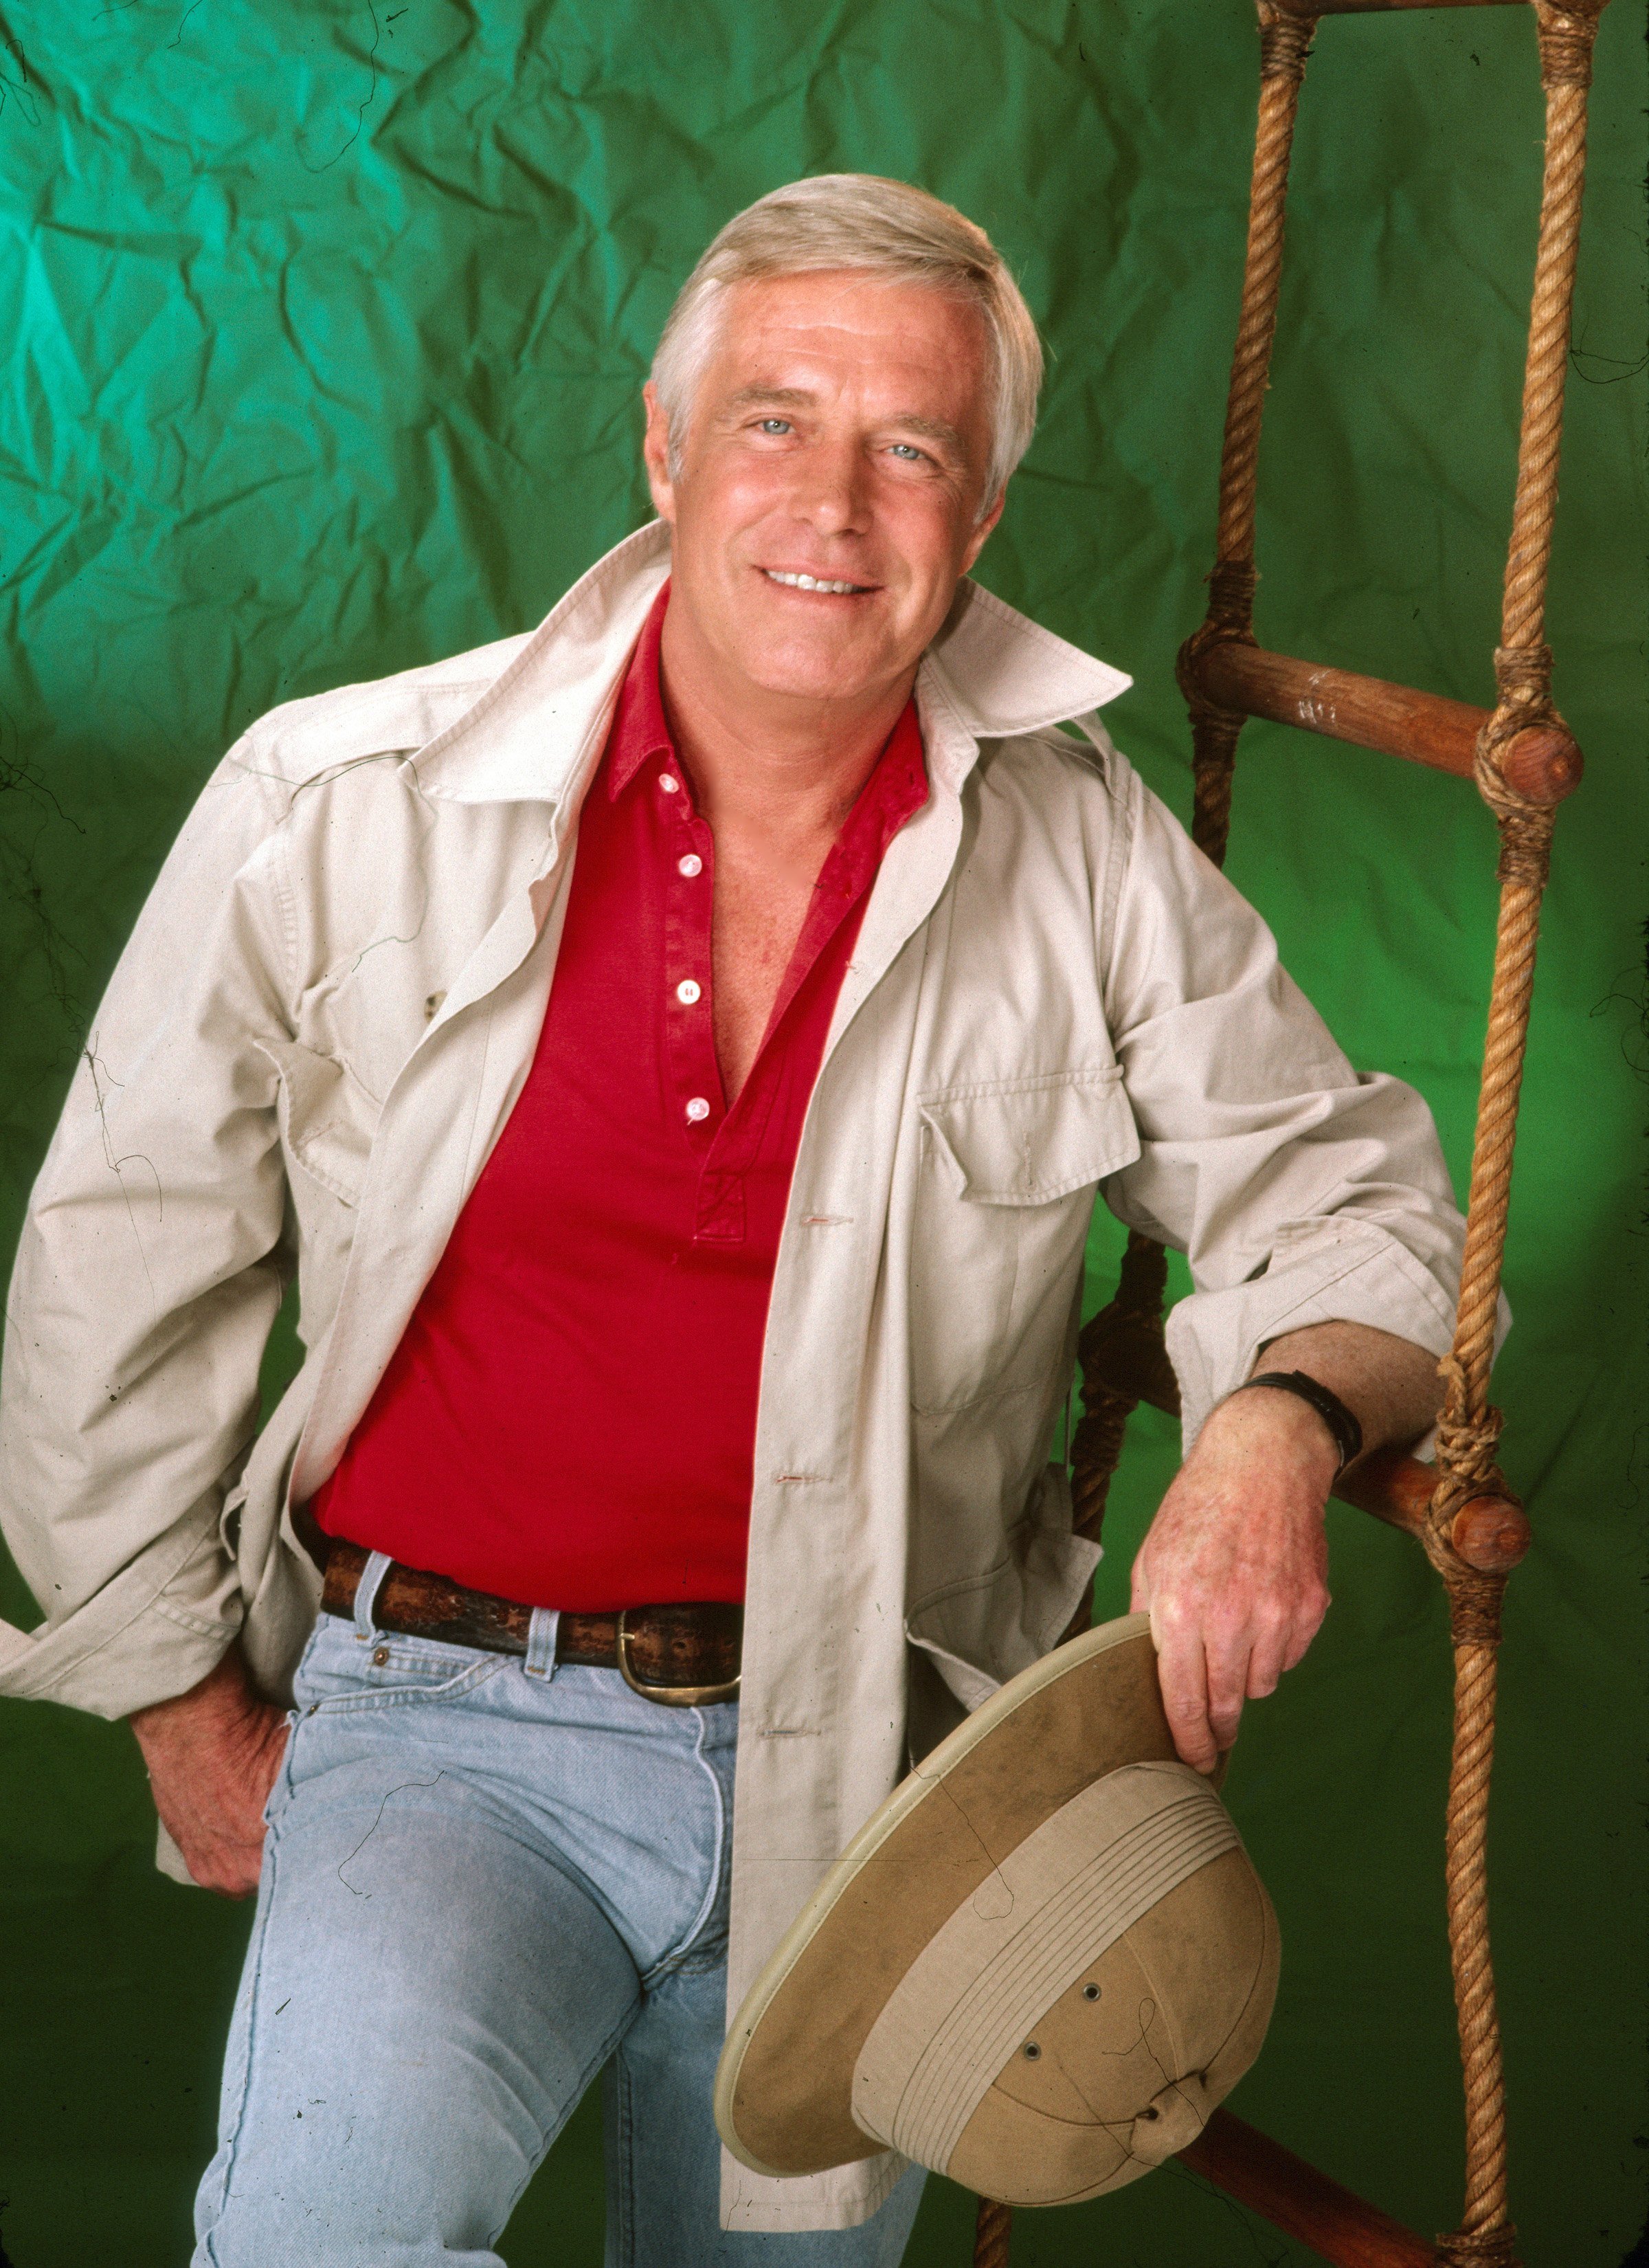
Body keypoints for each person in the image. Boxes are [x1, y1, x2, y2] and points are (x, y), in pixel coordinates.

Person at [0, 176, 1464, 2265]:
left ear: (981, 511)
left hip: (883, 1765)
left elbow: (1354, 1194)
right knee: (322, 2230)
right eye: (776, 419)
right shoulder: (333, 802)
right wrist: (175, 1702)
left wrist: (1276, 1427)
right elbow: (115, 1268)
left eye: (915, 446)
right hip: (442, 1728)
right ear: (665, 450)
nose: (838, 505)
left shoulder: (1089, 858)